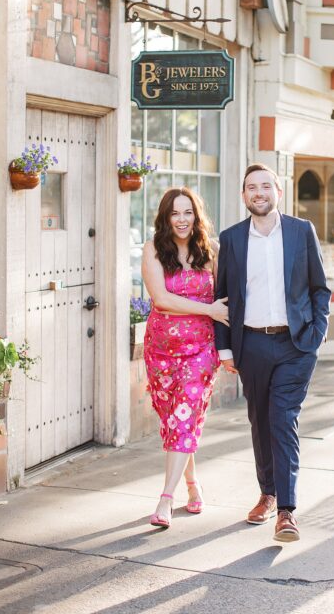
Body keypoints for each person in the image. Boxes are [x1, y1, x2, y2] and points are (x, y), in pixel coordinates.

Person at [214, 163, 331, 542]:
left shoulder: (301, 231)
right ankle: (267, 492)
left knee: (282, 419)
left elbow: (319, 289)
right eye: (251, 187)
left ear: (278, 191)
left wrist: (316, 335)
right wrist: (226, 349)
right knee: (260, 420)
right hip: (253, 344)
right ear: (243, 195)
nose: (259, 193)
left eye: (266, 186)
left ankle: (286, 511)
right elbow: (223, 297)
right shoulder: (231, 239)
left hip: (296, 345)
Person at [141, 187, 229, 529]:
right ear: (166, 217)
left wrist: (228, 350)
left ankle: (166, 499)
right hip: (160, 353)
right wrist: (208, 308)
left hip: (201, 352)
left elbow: (227, 302)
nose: (182, 219)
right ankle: (193, 486)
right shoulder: (153, 250)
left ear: (197, 216)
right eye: (175, 213)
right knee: (176, 422)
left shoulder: (211, 252)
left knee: (183, 418)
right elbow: (161, 299)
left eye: (188, 212)